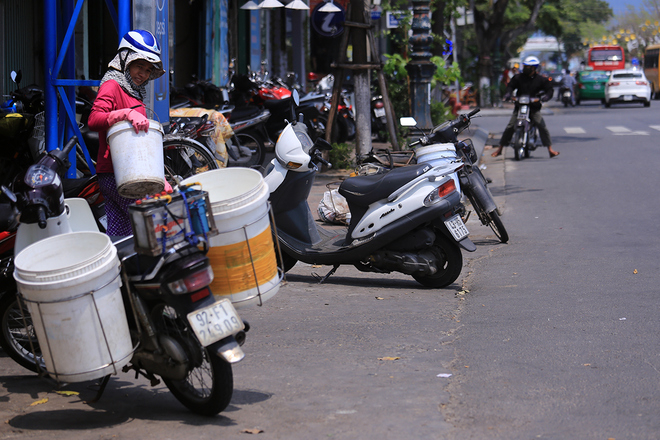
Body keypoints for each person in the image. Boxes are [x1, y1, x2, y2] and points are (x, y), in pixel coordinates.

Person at [88, 30, 166, 235]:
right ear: (125, 60)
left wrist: (161, 178)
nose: (143, 74)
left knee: (121, 236)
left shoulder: (135, 91)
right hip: (116, 174)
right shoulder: (112, 85)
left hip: (132, 172)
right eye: (139, 66)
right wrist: (125, 114)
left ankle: (121, 267)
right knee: (149, 231)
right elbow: (94, 120)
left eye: (148, 70)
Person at [491, 56, 560, 159]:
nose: (524, 68)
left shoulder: (541, 79)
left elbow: (549, 90)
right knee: (510, 126)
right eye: (524, 66)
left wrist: (545, 97)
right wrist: (508, 94)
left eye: (527, 66)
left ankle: (550, 149)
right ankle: (500, 149)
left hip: (534, 108)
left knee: (541, 125)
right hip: (520, 107)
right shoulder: (518, 78)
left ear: (533, 68)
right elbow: (510, 87)